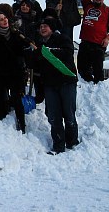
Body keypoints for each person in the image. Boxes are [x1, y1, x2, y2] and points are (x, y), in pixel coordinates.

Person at [26, 16, 79, 154]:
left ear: (52, 28)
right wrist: (32, 54)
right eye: (41, 27)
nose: (42, 28)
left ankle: (72, 142)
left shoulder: (62, 39)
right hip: (49, 85)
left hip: (66, 82)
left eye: (46, 26)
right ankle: (58, 145)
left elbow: (67, 53)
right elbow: (32, 65)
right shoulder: (38, 44)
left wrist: (47, 51)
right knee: (54, 116)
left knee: (68, 114)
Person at [0, 11, 30, 133]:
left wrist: (23, 62)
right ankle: (0, 127)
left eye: (5, 18)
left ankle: (21, 126)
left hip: (15, 73)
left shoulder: (16, 33)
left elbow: (25, 50)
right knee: (0, 100)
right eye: (1, 19)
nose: (5, 20)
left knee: (17, 100)